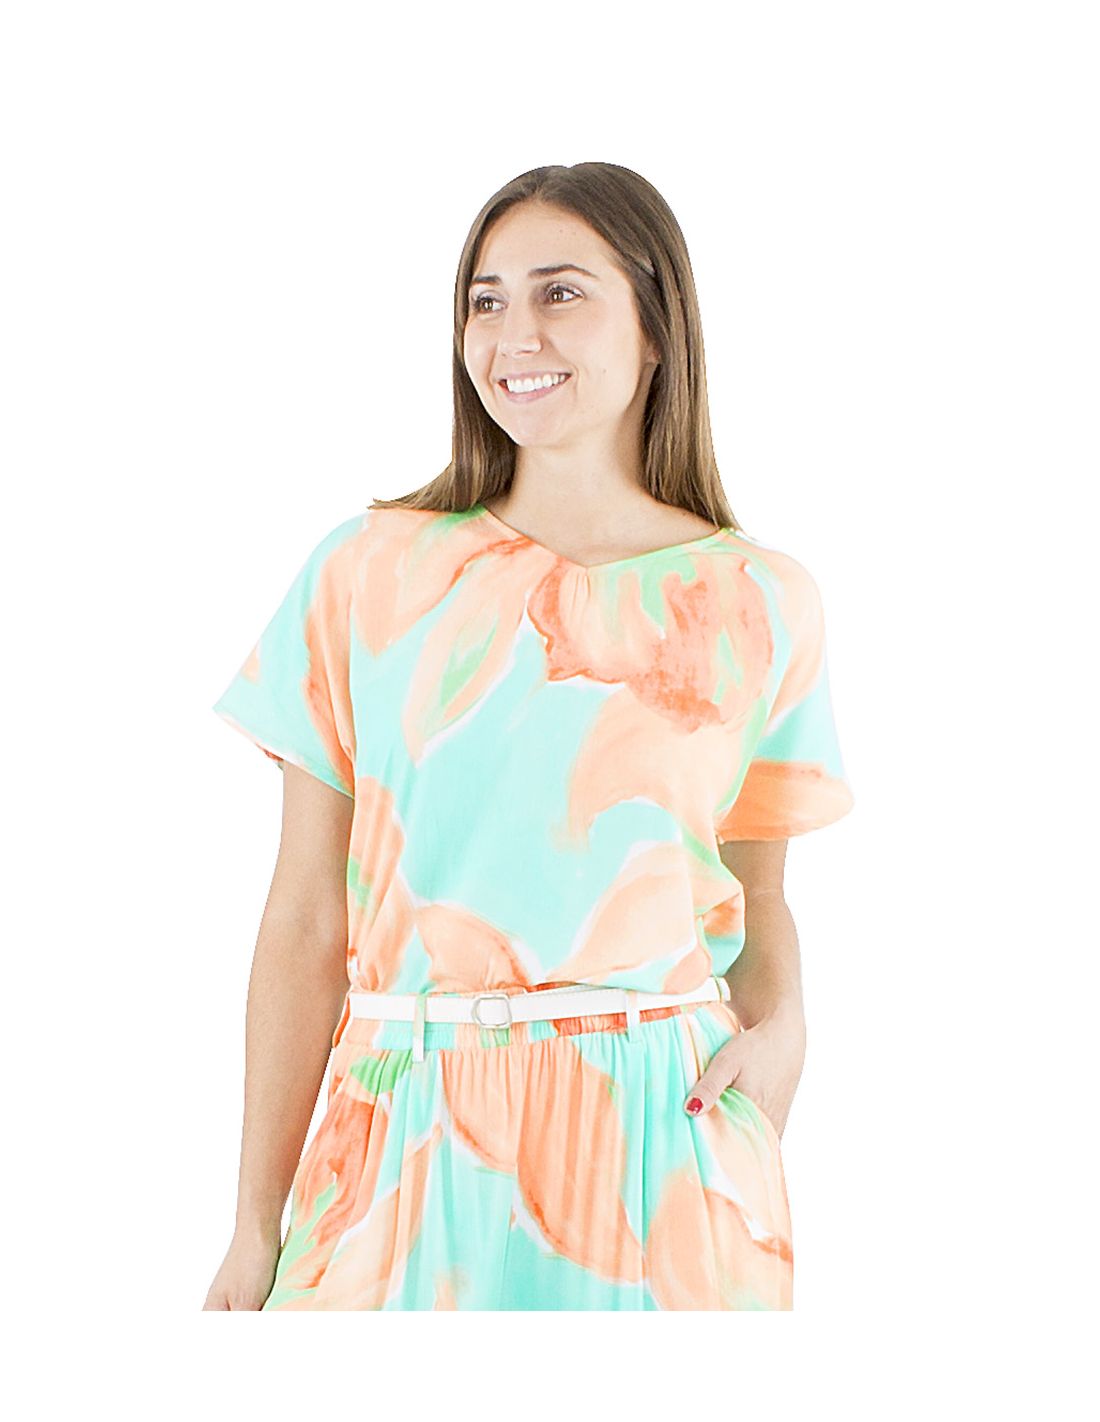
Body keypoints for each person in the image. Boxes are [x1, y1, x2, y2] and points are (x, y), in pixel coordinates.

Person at [202, 162, 855, 1312]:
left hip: (661, 1147)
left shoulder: (759, 601)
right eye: (485, 299)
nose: (514, 334)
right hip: (401, 1132)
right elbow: (306, 915)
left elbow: (754, 896)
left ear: (656, 329)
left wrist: (789, 1022)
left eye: (560, 292)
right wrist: (254, 1230)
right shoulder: (367, 574)